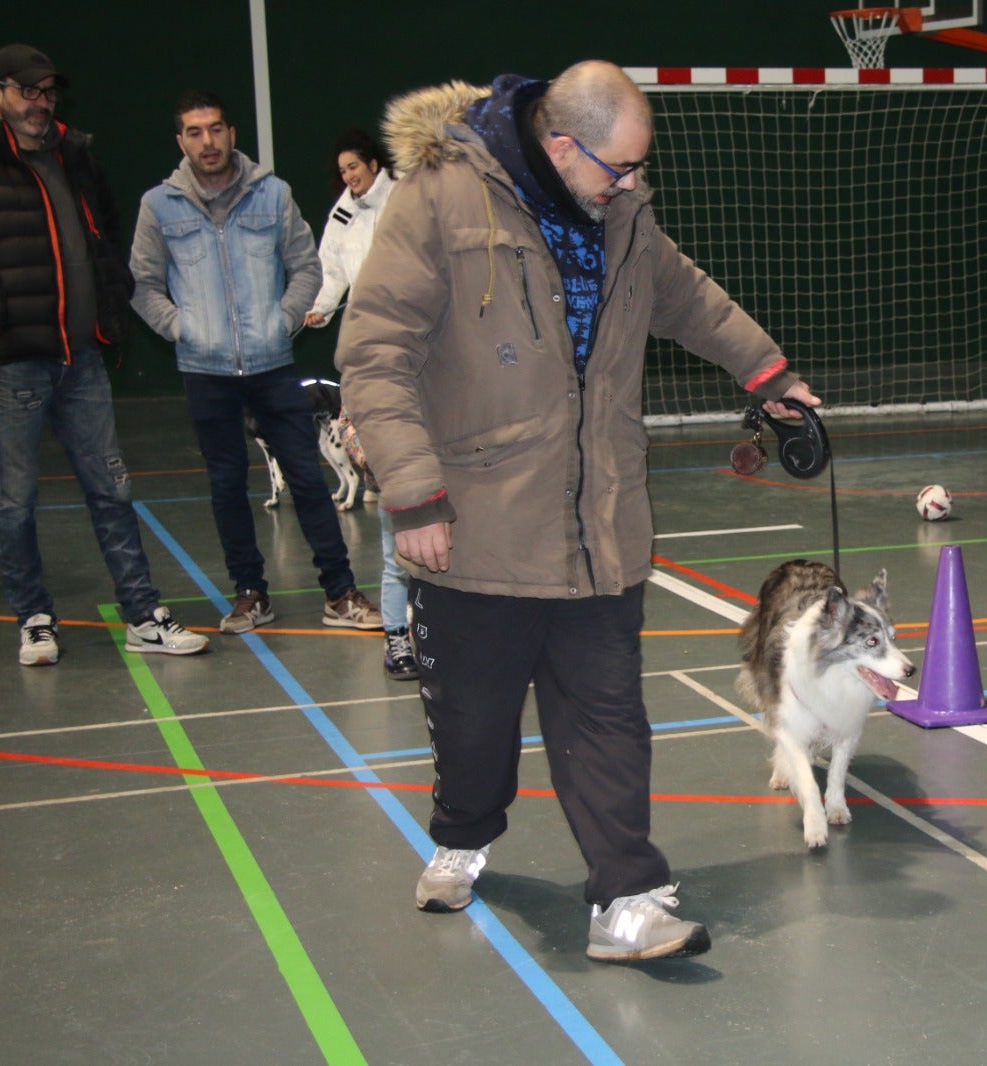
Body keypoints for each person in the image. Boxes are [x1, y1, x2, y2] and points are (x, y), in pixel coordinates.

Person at [336, 60, 820, 962]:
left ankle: (627, 900)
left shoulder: (623, 216)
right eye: (619, 167)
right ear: (561, 146)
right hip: (475, 526)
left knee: (608, 719)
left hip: (601, 526)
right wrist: (413, 494)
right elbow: (373, 355)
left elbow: (690, 299)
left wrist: (771, 375)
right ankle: (462, 833)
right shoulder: (439, 198)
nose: (633, 184)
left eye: (639, 169)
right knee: (476, 731)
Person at [0, 44, 208, 665]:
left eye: (48, 93)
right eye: (28, 92)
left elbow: (106, 227)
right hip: (10, 359)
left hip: (82, 357)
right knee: (14, 500)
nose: (41, 104)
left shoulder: (76, 153)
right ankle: (35, 618)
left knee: (113, 489)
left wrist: (107, 301)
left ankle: (142, 613)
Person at [130, 91, 382, 634]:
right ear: (181, 142)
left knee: (309, 481)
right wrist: (182, 329)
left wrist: (281, 321)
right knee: (226, 486)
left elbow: (306, 270)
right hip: (204, 372)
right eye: (195, 132)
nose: (208, 141)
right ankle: (250, 594)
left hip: (271, 366)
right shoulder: (160, 206)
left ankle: (340, 593)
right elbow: (143, 285)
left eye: (216, 129)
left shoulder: (273, 195)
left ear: (232, 133)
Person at [302, 128, 413, 679]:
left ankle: (437, 632)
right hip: (372, 366)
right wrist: (321, 308)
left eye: (354, 166)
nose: (348, 177)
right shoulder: (343, 214)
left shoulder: (407, 198)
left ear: (374, 162)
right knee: (399, 525)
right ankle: (398, 636)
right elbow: (331, 270)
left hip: (419, 359)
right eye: (341, 169)